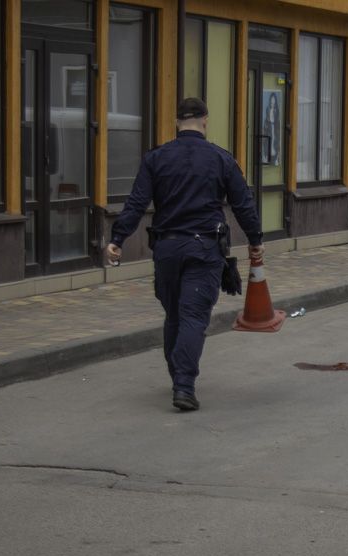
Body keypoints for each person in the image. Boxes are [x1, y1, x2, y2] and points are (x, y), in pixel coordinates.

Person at [105, 97, 265, 412]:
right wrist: (255, 239)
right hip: (204, 247)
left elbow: (137, 201)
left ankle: (178, 373)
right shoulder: (221, 159)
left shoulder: (156, 159)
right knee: (193, 316)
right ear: (205, 120)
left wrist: (118, 238)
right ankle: (184, 385)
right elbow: (242, 203)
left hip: (166, 248)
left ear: (176, 122)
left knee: (175, 314)